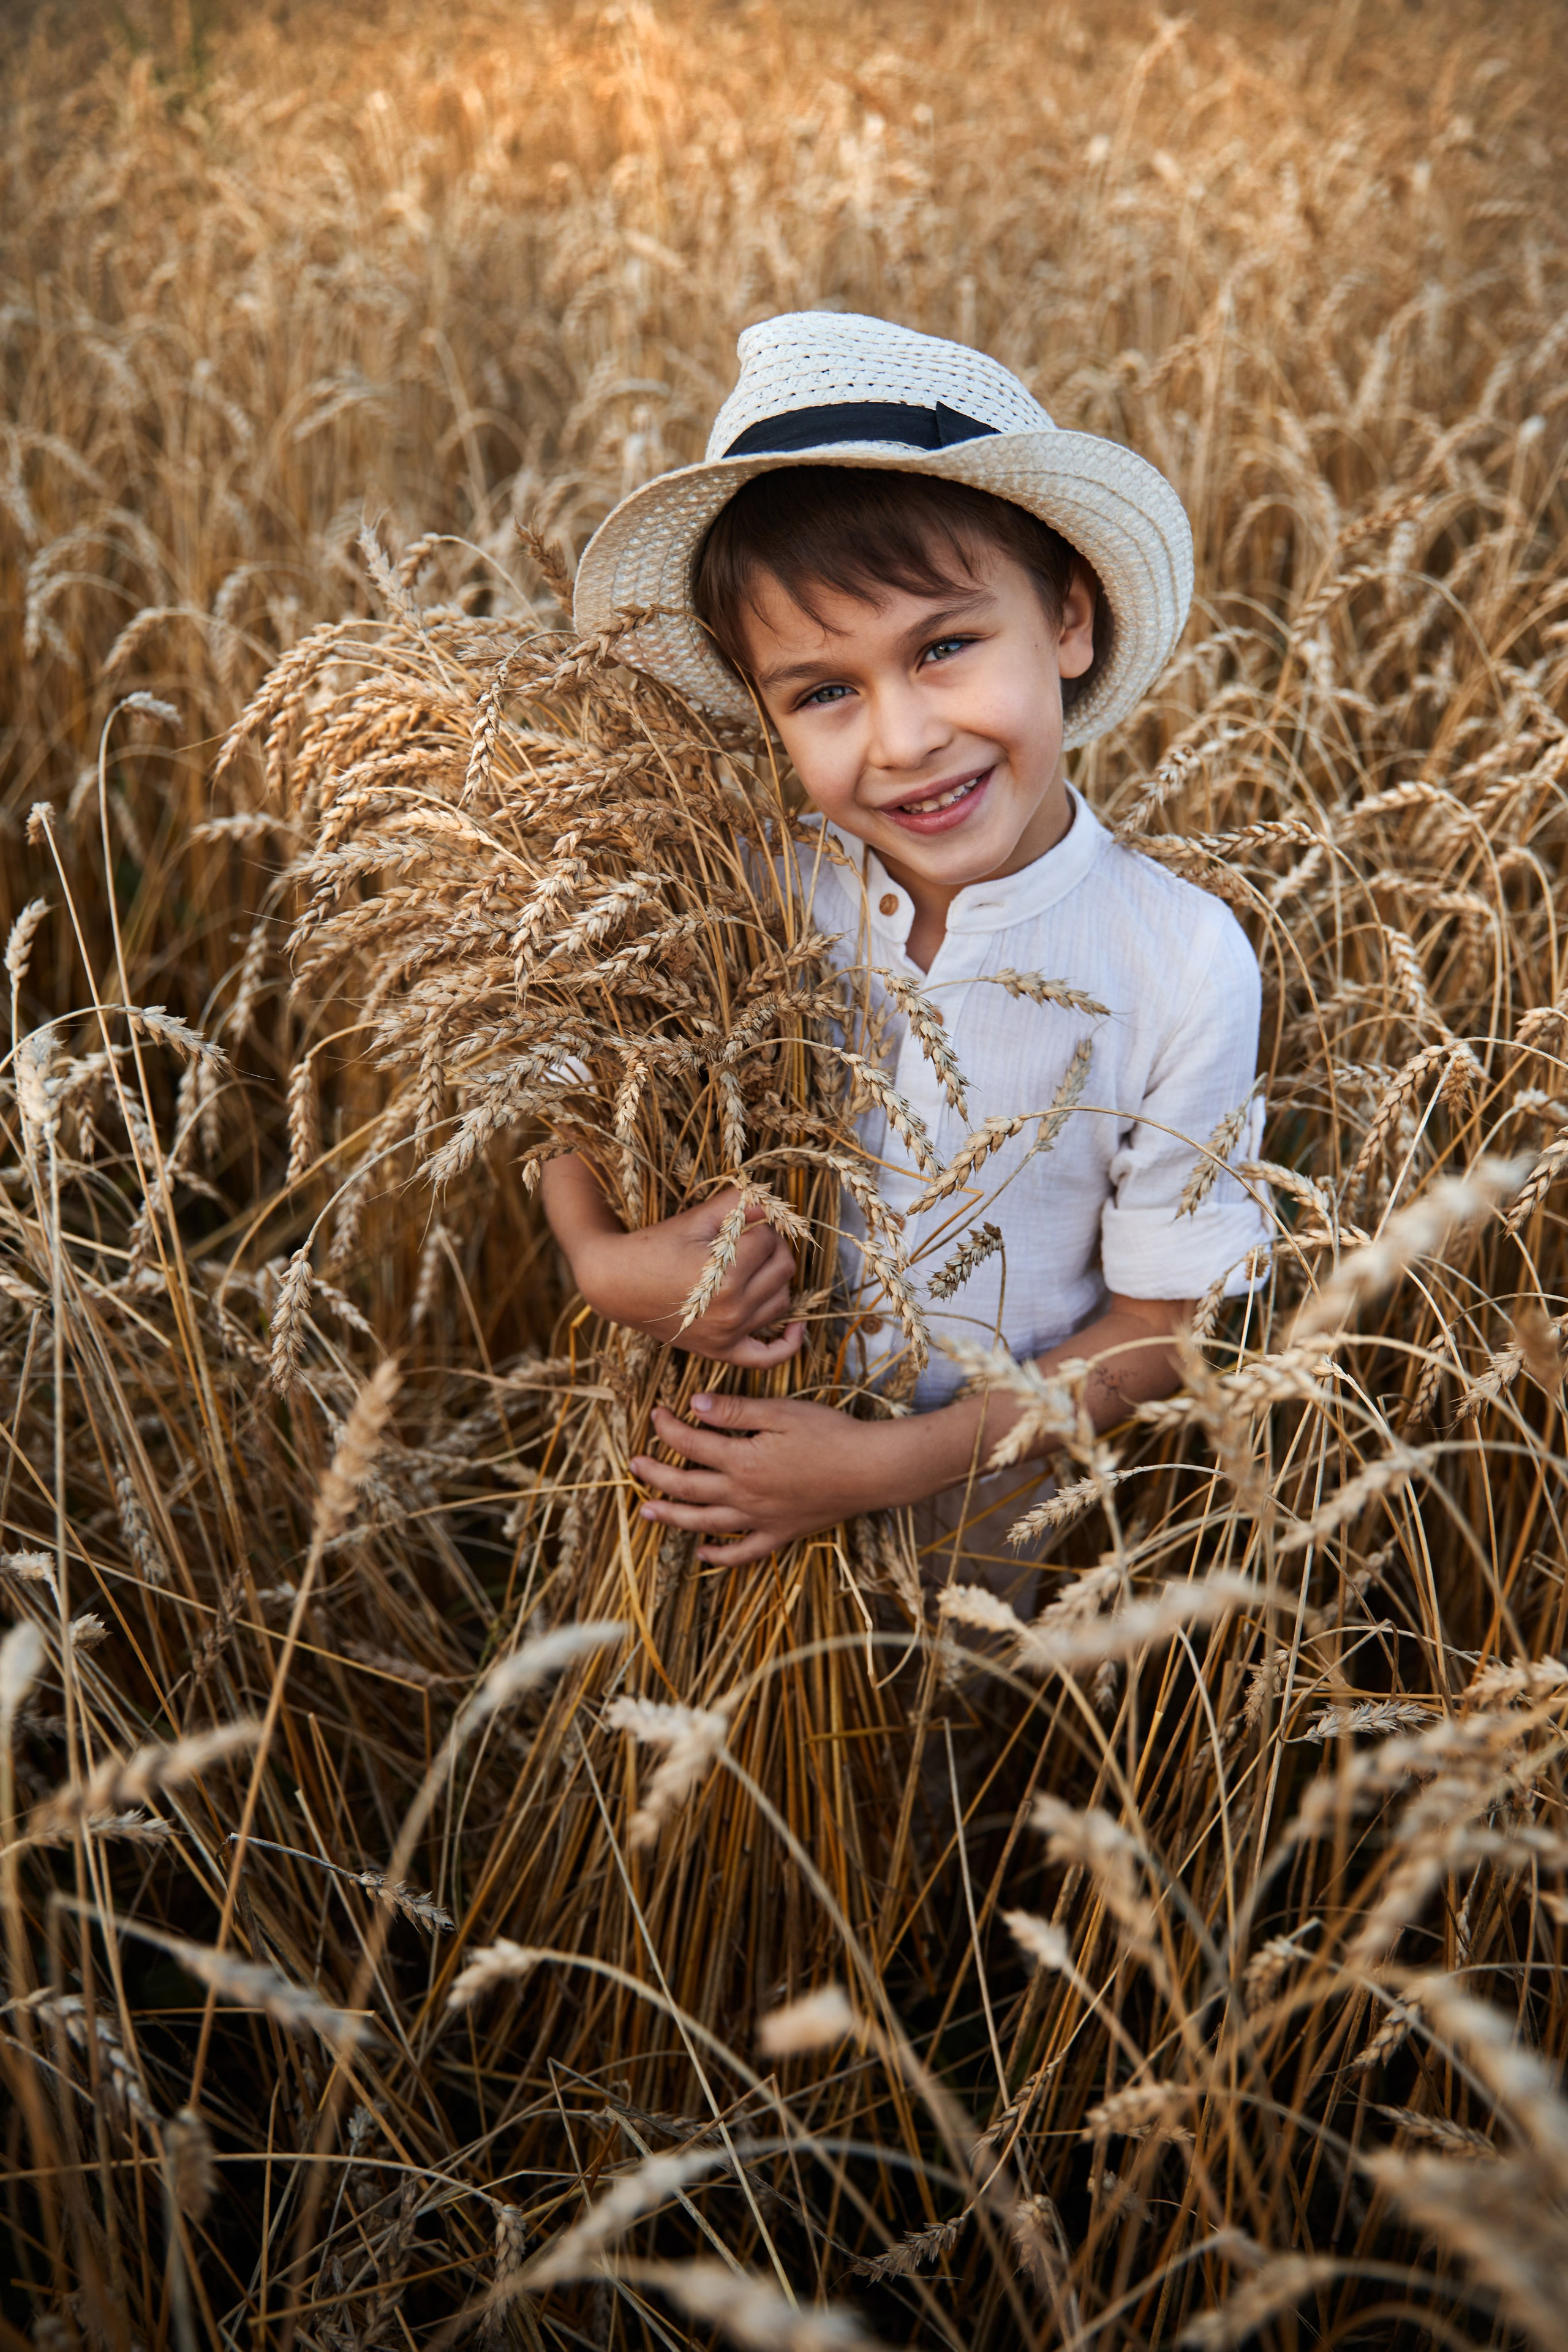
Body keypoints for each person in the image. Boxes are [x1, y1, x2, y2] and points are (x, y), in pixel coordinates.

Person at [541, 311, 1268, 1582]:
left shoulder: (1176, 961)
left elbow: (1161, 1328)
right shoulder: (743, 899)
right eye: (823, 690)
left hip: (993, 1531)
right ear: (762, 707)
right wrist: (600, 1261)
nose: (902, 738)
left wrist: (883, 1467)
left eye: (943, 647)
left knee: (937, 1775)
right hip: (712, 1508)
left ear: (1067, 622)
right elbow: (564, 1094)